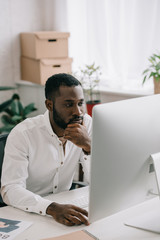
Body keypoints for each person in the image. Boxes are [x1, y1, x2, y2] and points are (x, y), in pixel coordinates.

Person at [1, 73, 92, 226]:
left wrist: (89, 147)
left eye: (80, 103)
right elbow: (10, 189)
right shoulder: (23, 134)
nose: (78, 112)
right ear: (49, 105)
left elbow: (97, 181)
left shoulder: (86, 124)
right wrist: (51, 208)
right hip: (27, 212)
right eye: (69, 104)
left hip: (65, 208)